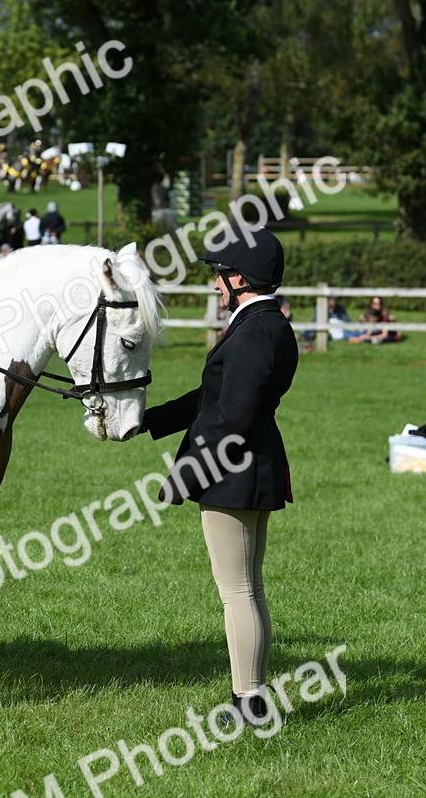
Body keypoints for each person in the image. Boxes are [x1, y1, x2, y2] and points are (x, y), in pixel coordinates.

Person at [138, 226, 297, 726]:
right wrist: (150, 420)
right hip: (247, 465)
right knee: (248, 588)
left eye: (219, 274)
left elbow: (233, 418)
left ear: (241, 278)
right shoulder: (262, 324)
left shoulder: (256, 331)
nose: (214, 284)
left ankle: (249, 702)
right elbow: (213, 397)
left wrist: (186, 474)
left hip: (234, 470)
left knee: (239, 591)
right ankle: (253, 695)